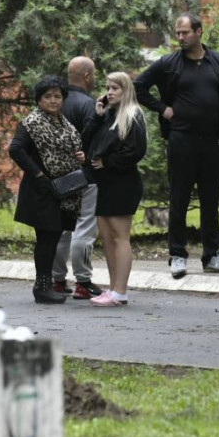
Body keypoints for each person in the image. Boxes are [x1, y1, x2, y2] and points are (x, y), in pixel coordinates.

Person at [134, 12, 219, 280]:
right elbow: (138, 87)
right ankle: (177, 255)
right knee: (179, 197)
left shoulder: (218, 62)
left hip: (214, 142)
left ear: (199, 32)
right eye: (178, 33)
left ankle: (212, 255)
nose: (180, 37)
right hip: (182, 140)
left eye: (185, 32)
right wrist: (163, 109)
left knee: (210, 199)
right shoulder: (169, 63)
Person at [9, 75, 85, 304]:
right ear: (39, 100)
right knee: (46, 238)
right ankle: (42, 287)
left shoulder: (63, 122)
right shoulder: (32, 122)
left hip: (63, 189)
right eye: (47, 96)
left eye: (57, 96)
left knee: (53, 238)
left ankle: (46, 285)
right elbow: (16, 149)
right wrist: (39, 174)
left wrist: (79, 156)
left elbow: (67, 150)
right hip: (41, 191)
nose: (53, 100)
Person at [82, 72, 147, 307]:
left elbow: (135, 150)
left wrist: (108, 162)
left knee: (120, 236)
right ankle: (112, 288)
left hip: (123, 183)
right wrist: (97, 116)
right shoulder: (108, 115)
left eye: (115, 88)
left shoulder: (133, 115)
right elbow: (86, 142)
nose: (109, 92)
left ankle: (120, 291)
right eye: (108, 88)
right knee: (107, 237)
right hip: (104, 183)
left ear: (125, 90)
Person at [51, 56, 104, 300]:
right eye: (94, 74)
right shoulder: (89, 105)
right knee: (84, 227)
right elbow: (93, 142)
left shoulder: (55, 104)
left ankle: (57, 280)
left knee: (62, 228)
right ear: (86, 76)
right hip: (85, 176)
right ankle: (83, 281)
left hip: (58, 176)